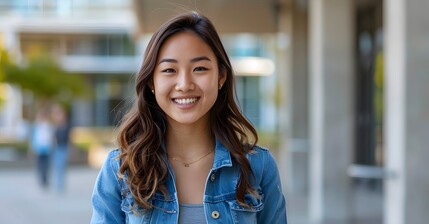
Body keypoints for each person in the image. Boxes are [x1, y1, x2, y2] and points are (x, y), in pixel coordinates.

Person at [91, 12, 287, 223]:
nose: (184, 84)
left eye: (199, 68)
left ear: (221, 76)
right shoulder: (122, 169)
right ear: (151, 83)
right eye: (169, 70)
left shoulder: (258, 166)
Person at [30, 107, 55, 189]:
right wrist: (33, 147)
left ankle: (45, 179)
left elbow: (51, 137)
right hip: (39, 148)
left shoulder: (49, 126)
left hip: (47, 147)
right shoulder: (36, 126)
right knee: (40, 165)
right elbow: (34, 138)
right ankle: (41, 179)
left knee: (46, 165)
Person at [51, 104, 71, 193]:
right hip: (56, 148)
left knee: (61, 166)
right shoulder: (55, 126)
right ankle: (58, 184)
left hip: (63, 148)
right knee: (57, 166)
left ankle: (60, 184)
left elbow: (69, 138)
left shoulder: (66, 126)